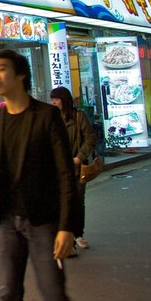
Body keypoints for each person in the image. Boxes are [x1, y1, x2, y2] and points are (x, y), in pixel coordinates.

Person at [0, 50, 76, 301]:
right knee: (7, 292)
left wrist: (67, 226)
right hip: (4, 220)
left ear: (21, 74)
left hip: (42, 220)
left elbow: (65, 173)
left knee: (53, 292)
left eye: (1, 69)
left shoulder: (46, 116)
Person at [50, 86, 96, 254]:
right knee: (59, 203)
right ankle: (64, 236)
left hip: (76, 168)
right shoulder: (50, 118)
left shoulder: (78, 117)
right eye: (52, 99)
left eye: (56, 99)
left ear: (64, 99)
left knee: (77, 202)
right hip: (56, 168)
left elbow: (90, 137)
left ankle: (77, 234)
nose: (53, 102)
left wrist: (79, 157)